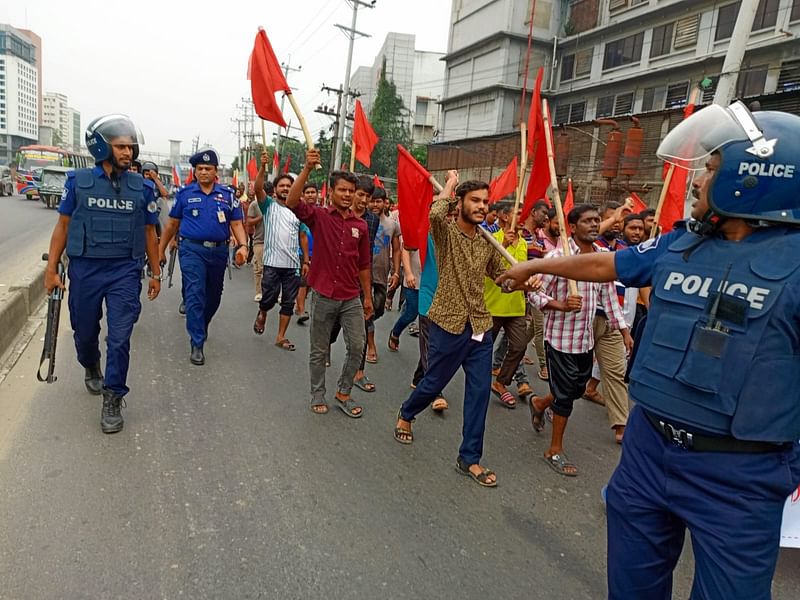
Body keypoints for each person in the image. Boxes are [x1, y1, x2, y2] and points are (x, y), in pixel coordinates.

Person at [497, 101, 800, 598]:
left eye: (711, 167)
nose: (698, 179)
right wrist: (534, 269)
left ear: (753, 176)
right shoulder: (679, 244)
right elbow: (605, 266)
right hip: (648, 450)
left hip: (740, 476)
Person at [44, 114, 162, 433]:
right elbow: (63, 227)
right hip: (85, 269)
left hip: (125, 270)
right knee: (84, 332)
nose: (127, 152)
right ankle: (90, 363)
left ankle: (113, 396)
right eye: (121, 146)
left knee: (120, 336)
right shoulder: (77, 182)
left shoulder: (143, 187)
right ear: (102, 146)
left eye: (130, 147)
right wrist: (51, 268)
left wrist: (155, 272)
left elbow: (151, 232)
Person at [395, 174, 507, 488]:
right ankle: (407, 412)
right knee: (433, 383)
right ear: (459, 203)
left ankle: (469, 458)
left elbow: (502, 276)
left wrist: (526, 279)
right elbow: (433, 213)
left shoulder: (488, 240)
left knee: (479, 393)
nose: (482, 206)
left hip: (480, 327)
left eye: (485, 201)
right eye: (475, 200)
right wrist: (449, 185)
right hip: (448, 323)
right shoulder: (445, 232)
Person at [526, 204, 631, 476]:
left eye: (597, 220)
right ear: (572, 227)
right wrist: (560, 305)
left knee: (574, 390)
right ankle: (554, 449)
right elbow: (533, 294)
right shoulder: (558, 257)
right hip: (560, 340)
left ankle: (539, 404)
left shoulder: (602, 257)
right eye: (587, 221)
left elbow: (608, 297)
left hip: (585, 340)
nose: (595, 225)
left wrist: (624, 330)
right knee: (566, 398)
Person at [287, 151, 373, 418]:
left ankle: (344, 392)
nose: (347, 195)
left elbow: (364, 265)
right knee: (319, 349)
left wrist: (367, 297)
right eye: (342, 190)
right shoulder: (319, 216)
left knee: (357, 346)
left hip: (351, 298)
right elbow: (291, 201)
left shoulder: (361, 225)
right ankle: (317, 393)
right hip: (324, 295)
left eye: (351, 191)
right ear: (332, 192)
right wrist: (306, 169)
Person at [158, 148, 248, 366]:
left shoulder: (227, 196)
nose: (204, 172)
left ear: (216, 171)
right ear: (195, 172)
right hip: (191, 250)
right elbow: (172, 224)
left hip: (218, 251)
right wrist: (160, 249)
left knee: (214, 296)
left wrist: (243, 246)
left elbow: (236, 223)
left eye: (208, 168)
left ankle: (202, 324)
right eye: (200, 169)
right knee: (195, 292)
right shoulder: (185, 195)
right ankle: (197, 342)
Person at [251, 169, 309, 351]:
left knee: (288, 302)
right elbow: (258, 187)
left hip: (292, 265)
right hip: (272, 264)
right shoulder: (268, 205)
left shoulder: (299, 211)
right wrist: (262, 167)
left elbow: (303, 237)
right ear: (275, 190)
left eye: (289, 186)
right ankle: (262, 312)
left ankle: (280, 336)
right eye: (282, 186)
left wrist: (306, 261)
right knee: (269, 298)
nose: (285, 188)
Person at [486, 222, 530, 408]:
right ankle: (478, 383)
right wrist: (502, 244)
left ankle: (501, 382)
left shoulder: (524, 243)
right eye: (517, 213)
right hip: (493, 306)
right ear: (505, 217)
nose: (521, 217)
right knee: (482, 350)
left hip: (516, 306)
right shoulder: (491, 238)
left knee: (520, 346)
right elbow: (483, 264)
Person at [370, 187, 401, 359]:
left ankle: (361, 325)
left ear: (384, 203)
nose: (375, 204)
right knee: (368, 311)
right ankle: (370, 345)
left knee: (379, 310)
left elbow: (396, 250)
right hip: (362, 274)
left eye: (378, 201)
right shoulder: (362, 221)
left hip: (382, 274)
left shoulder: (392, 225)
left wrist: (396, 273)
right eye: (372, 200)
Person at [294, 182, 318, 323]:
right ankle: (301, 310)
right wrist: (305, 258)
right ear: (303, 195)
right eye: (307, 192)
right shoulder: (300, 213)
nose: (310, 195)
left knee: (309, 283)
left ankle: (299, 305)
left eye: (312, 192)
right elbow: (302, 235)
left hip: (318, 253)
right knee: (303, 282)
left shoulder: (322, 212)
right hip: (302, 253)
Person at [247, 175, 273, 302]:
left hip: (274, 242)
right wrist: (262, 216)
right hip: (259, 241)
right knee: (259, 268)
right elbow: (249, 222)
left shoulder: (275, 204)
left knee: (273, 269)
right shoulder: (254, 205)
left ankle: (274, 293)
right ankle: (258, 292)